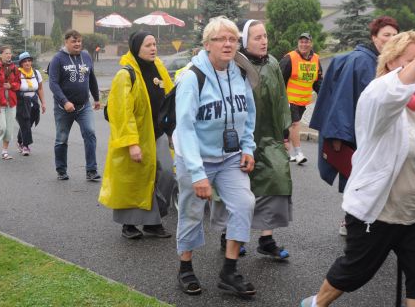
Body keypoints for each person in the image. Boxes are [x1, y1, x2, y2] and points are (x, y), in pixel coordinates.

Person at [302, 28, 415, 307]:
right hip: (378, 210)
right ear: (391, 62)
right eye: (412, 60)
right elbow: (393, 92)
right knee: (353, 272)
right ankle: (315, 303)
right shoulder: (378, 93)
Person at [174, 16, 257, 297]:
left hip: (231, 157)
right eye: (221, 39)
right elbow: (184, 129)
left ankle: (229, 271)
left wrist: (248, 147)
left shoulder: (240, 73)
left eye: (232, 39)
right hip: (195, 157)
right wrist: (197, 174)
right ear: (207, 44)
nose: (227, 44)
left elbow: (248, 115)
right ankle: (185, 267)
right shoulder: (191, 78)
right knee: (192, 212)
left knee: (245, 204)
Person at [309, 16, 399, 236]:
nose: (391, 39)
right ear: (374, 37)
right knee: (359, 177)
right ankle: (352, 221)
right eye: (386, 35)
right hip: (359, 132)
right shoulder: (361, 61)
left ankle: (363, 221)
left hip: (375, 131)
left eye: (395, 35)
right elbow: (342, 99)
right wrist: (338, 136)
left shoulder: (383, 61)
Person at [211, 19, 293, 259]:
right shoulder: (235, 66)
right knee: (236, 188)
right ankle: (229, 235)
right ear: (245, 41)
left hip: (268, 137)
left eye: (265, 36)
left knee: (276, 181)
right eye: (257, 37)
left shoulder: (274, 64)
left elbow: (280, 100)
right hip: (239, 138)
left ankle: (266, 239)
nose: (264, 41)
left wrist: (284, 133)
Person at [99, 31, 175, 239]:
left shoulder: (159, 67)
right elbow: (122, 113)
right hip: (137, 136)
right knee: (134, 180)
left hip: (157, 133)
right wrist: (132, 143)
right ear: (136, 48)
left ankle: (153, 219)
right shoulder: (125, 74)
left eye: (154, 44)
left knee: (167, 173)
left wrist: (172, 130)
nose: (153, 48)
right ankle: (129, 224)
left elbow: (169, 98)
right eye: (148, 45)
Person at [48, 30, 101, 181]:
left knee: (90, 133)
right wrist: (65, 102)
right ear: (66, 42)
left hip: (84, 106)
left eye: (79, 41)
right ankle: (61, 170)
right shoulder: (58, 59)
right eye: (73, 41)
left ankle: (91, 170)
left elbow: (91, 78)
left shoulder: (86, 56)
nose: (77, 44)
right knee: (61, 139)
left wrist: (96, 98)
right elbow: (53, 83)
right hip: (63, 108)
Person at [280, 32, 323, 164]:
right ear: (298, 43)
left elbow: (317, 81)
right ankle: (298, 153)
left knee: (288, 127)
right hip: (289, 99)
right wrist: (281, 99)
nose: (304, 44)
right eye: (301, 42)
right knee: (295, 124)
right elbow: (279, 79)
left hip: (303, 101)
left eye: (306, 42)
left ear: (311, 44)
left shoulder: (316, 59)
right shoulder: (290, 58)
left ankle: (283, 150)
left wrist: (324, 95)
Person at [0, 45, 21, 160]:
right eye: (6, 53)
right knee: (2, 127)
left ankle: (5, 152)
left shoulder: (14, 68)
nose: (8, 55)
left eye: (10, 53)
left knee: (9, 129)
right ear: (0, 55)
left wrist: (11, 85)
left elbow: (18, 84)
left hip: (11, 103)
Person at [15, 51, 46, 156]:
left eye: (29, 61)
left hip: (33, 101)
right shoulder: (17, 73)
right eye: (25, 61)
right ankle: (25, 145)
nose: (27, 63)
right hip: (21, 102)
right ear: (21, 63)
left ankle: (20, 141)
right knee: (25, 122)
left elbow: (40, 88)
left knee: (28, 123)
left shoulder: (36, 73)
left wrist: (43, 103)